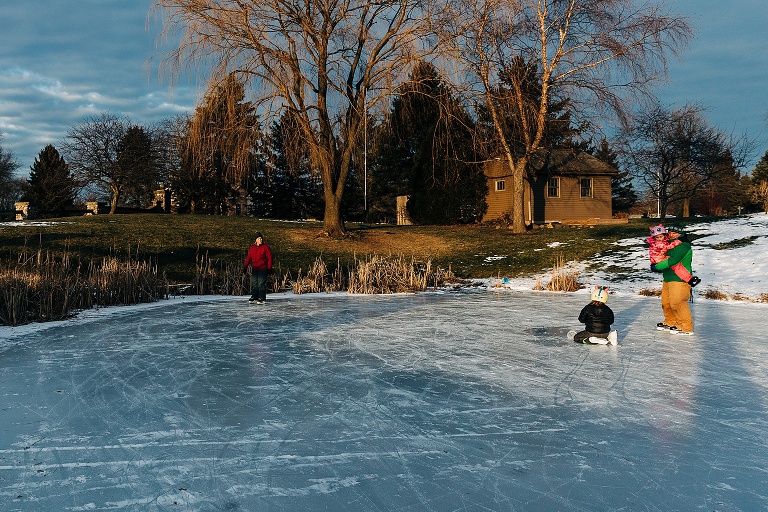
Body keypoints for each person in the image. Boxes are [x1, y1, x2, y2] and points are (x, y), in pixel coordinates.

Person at [651, 226, 695, 335]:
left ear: (681, 233)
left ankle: (685, 326)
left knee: (677, 303)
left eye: (675, 233)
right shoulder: (667, 244)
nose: (672, 234)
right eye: (670, 232)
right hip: (668, 278)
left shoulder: (684, 245)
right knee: (666, 303)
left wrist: (657, 266)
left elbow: (672, 261)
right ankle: (670, 321)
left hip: (679, 279)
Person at [243, 231, 273, 304]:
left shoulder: (265, 247)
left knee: (261, 283)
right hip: (255, 268)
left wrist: (269, 268)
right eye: (259, 238)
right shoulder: (252, 248)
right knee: (254, 283)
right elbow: (248, 258)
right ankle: (254, 296)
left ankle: (262, 297)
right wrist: (245, 267)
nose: (261, 240)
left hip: (263, 268)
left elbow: (270, 258)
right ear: (256, 240)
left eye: (261, 238)